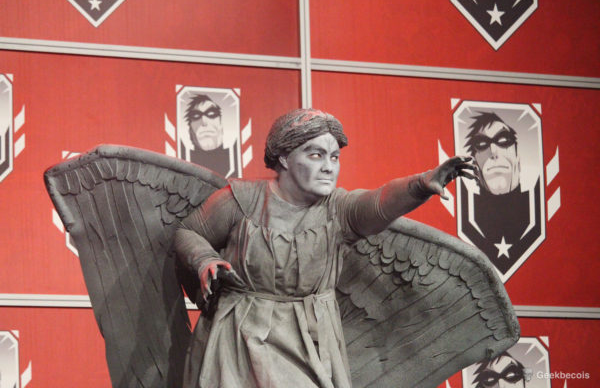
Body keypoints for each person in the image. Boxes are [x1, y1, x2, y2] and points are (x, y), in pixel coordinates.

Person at [174, 108, 476, 388]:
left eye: (334, 157)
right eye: (316, 155)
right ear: (284, 158)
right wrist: (204, 260)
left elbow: (379, 202)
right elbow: (189, 232)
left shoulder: (338, 210)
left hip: (309, 341)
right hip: (238, 337)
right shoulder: (240, 200)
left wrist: (420, 185)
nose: (329, 167)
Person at [461, 112, 542, 273]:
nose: (493, 151)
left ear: (518, 157)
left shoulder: (535, 206)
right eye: (482, 144)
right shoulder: (468, 211)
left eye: (504, 141)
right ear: (474, 164)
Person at [183, 94, 240, 177]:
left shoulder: (236, 158)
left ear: (221, 124)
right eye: (196, 116)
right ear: (190, 131)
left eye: (211, 114)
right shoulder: (183, 162)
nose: (204, 121)